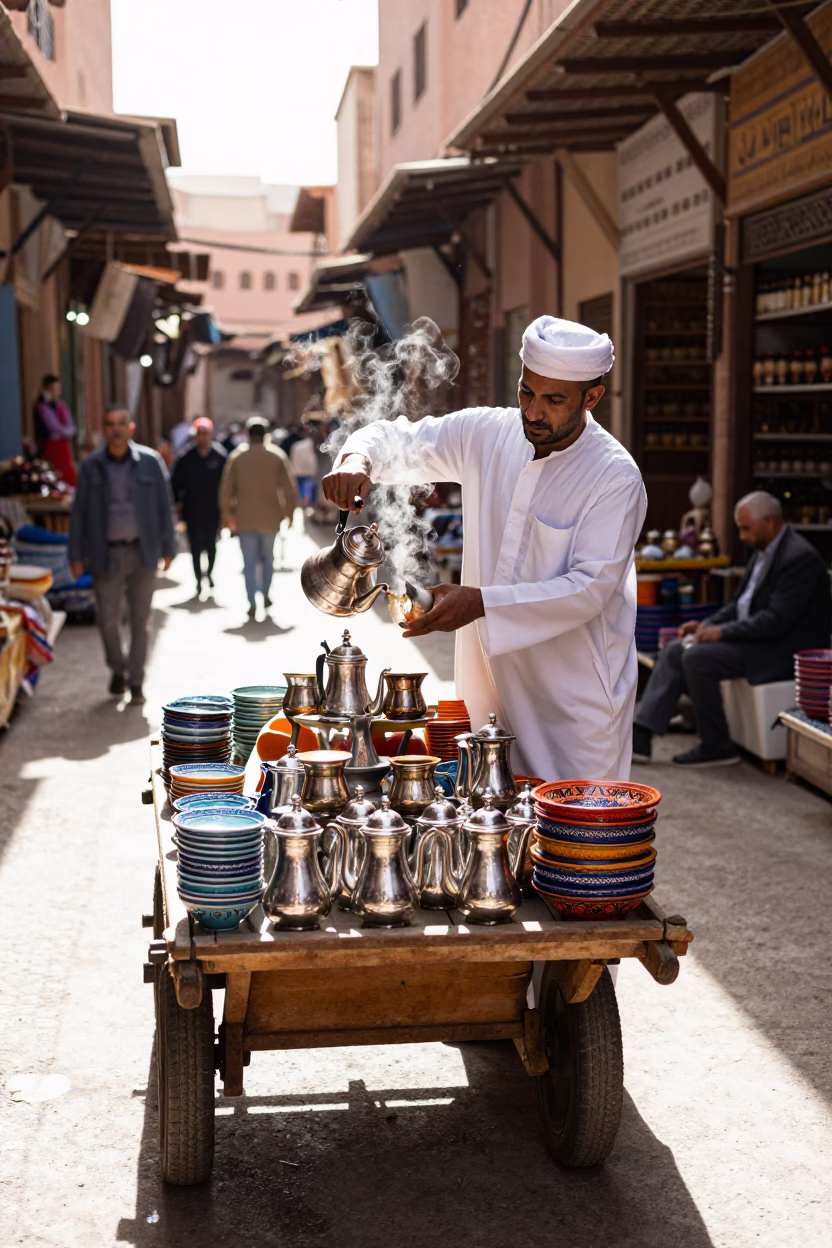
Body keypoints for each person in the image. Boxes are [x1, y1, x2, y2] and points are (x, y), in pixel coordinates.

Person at [323, 315, 647, 782]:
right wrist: (358, 457)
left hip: (572, 706)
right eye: (526, 392)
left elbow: (588, 589)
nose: (533, 412)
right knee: (487, 827)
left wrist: (479, 603)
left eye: (554, 400)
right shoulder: (489, 434)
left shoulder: (614, 476)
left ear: (591, 398)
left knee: (574, 842)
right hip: (487, 689)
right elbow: (401, 438)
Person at [633, 492, 831, 767]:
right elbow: (739, 606)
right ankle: (642, 734)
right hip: (758, 640)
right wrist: (707, 625)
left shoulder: (799, 558)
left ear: (771, 523)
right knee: (676, 647)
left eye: (745, 528)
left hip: (780, 649)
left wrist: (721, 633)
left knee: (697, 658)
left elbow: (775, 621)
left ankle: (717, 744)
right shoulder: (763, 552)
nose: (741, 536)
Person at [68, 406, 176, 704]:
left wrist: (169, 547)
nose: (115, 429)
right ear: (104, 430)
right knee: (108, 619)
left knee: (141, 620)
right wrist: (75, 554)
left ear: (130, 428)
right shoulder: (91, 466)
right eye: (109, 424)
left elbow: (163, 507)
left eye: (120, 424)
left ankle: (136, 681)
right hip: (105, 554)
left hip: (142, 552)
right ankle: (118, 669)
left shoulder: (151, 463)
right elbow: (79, 513)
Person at [219, 415, 297, 619]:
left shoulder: (237, 457)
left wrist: (227, 516)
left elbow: (226, 490)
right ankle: (265, 593)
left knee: (249, 562)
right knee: (268, 559)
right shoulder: (276, 456)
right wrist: (290, 514)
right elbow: (289, 489)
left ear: (247, 435)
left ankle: (252, 600)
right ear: (265, 435)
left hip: (245, 518)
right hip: (270, 518)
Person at [171, 417, 227, 595]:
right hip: (192, 509)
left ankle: (209, 573)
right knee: (194, 546)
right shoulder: (186, 457)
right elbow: (175, 483)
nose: (202, 438)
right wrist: (176, 505)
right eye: (199, 434)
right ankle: (197, 579)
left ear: (210, 435)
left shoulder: (220, 456)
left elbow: (227, 483)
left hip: (213, 509)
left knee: (211, 544)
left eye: (205, 434)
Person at [35, 374, 77, 487]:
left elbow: (72, 426)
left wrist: (65, 431)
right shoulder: (42, 407)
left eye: (57, 389)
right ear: (45, 390)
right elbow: (53, 427)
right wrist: (65, 431)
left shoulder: (62, 406)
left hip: (64, 447)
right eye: (52, 389)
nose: (55, 393)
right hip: (51, 447)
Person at [289, 428, 319, 509]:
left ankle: (304, 505)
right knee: (307, 493)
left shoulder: (296, 445)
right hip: (308, 473)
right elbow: (311, 460)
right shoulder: (311, 445)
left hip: (298, 472)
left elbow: (293, 459)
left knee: (302, 494)